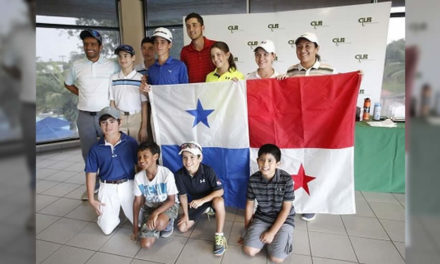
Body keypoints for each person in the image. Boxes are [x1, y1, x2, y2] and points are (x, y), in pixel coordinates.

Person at [284, 32, 335, 222]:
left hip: (319, 126)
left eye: (307, 46)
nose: (303, 50)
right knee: (296, 162)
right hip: (296, 126)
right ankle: (296, 200)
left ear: (316, 48)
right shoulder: (290, 70)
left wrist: (355, 78)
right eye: (299, 47)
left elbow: (336, 93)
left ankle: (312, 204)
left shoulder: (329, 69)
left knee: (315, 164)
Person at [64, 29, 119, 200]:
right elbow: (68, 83)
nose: (89, 47)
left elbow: (120, 80)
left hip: (105, 117)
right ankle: (93, 187)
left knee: (110, 150)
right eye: (86, 44)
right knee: (88, 153)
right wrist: (82, 94)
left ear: (100, 47)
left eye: (93, 44)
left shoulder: (112, 65)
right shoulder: (76, 65)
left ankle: (110, 182)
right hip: (85, 116)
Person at [85, 106, 138, 235]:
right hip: (107, 186)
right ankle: (113, 213)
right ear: (100, 125)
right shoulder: (95, 149)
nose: (108, 126)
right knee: (107, 229)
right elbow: (91, 174)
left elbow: (141, 167)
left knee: (140, 222)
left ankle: (126, 209)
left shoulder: (131, 143)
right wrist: (91, 199)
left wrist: (141, 193)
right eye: (104, 122)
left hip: (128, 184)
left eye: (112, 121)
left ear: (120, 123)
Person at [241, 144, 295, 263]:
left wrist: (271, 233)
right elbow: (249, 204)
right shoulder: (253, 179)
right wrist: (247, 228)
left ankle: (280, 238)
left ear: (278, 163)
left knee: (276, 258)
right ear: (257, 161)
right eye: (262, 160)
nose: (265, 164)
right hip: (263, 217)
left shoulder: (286, 179)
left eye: (270, 161)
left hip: (284, 219)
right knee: (249, 251)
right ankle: (267, 238)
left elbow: (286, 209)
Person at [174, 141, 227, 256]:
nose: (188, 162)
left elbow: (220, 191)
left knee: (219, 202)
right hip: (197, 202)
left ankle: (219, 236)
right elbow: (182, 196)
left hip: (211, 199)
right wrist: (186, 215)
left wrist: (202, 201)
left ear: (200, 158)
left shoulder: (208, 170)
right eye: (185, 157)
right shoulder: (179, 174)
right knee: (182, 228)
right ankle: (205, 211)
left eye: (192, 157)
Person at [131, 142, 180, 249]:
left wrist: (155, 213)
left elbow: (171, 200)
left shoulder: (166, 174)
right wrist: (135, 228)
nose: (141, 160)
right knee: (145, 245)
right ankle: (155, 227)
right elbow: (137, 202)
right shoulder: (138, 177)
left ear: (155, 157)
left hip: (168, 206)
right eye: (139, 157)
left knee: (160, 223)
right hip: (150, 208)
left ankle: (167, 224)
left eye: (145, 156)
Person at [110, 44, 148, 143]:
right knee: (122, 149)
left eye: (126, 56)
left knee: (137, 149)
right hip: (120, 118)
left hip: (136, 119)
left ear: (133, 58)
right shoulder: (113, 78)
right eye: (120, 56)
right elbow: (112, 102)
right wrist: (114, 122)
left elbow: (144, 104)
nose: (123, 59)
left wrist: (144, 127)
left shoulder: (140, 78)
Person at [181, 12, 216, 83]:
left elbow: (226, 68)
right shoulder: (185, 51)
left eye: (194, 25)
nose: (191, 29)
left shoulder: (215, 45)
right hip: (194, 92)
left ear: (202, 27)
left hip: (214, 91)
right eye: (188, 26)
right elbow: (183, 75)